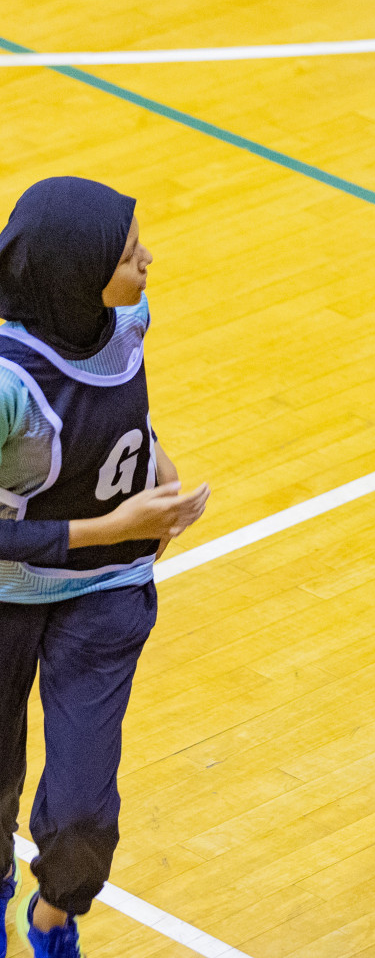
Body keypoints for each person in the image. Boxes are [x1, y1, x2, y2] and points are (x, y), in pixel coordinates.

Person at [0, 177, 210, 957]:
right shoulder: (7, 384)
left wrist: (157, 464)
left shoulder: (128, 318)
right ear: (73, 276)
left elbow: (124, 406)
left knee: (86, 811)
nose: (147, 261)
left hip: (107, 590)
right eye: (128, 255)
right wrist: (108, 526)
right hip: (8, 591)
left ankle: (54, 917)